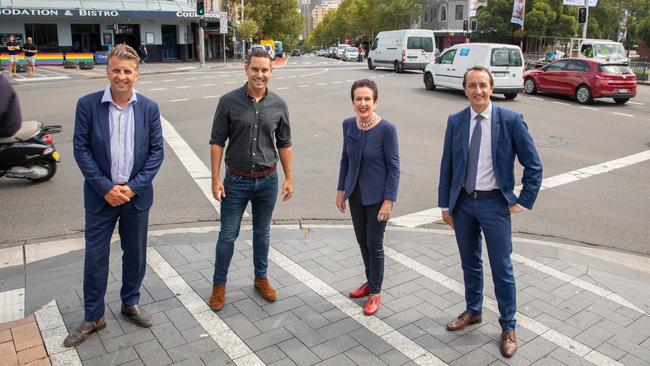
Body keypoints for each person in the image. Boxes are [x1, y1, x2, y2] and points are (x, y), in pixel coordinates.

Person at [438, 66, 542, 358]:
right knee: (469, 263)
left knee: (502, 268)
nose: (478, 91)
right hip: (463, 204)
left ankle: (508, 326)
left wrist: (524, 199)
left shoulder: (510, 120)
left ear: (491, 87)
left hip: (495, 204)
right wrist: (445, 205)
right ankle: (473, 310)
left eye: (483, 85)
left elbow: (533, 165)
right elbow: (447, 165)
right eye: (472, 85)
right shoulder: (456, 121)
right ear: (465, 89)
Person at [64, 44, 164, 347]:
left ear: (137, 74)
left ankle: (129, 302)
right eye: (116, 70)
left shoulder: (148, 108)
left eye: (128, 71)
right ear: (107, 71)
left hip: (136, 196)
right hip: (100, 197)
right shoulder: (88, 105)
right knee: (95, 257)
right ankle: (94, 315)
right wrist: (105, 188)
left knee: (135, 253)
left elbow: (156, 152)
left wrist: (133, 187)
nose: (122, 76)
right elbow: (80, 149)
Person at [208, 48, 293, 311]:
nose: (260, 74)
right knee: (227, 236)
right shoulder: (228, 101)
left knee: (262, 233)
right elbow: (217, 141)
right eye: (255, 69)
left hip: (268, 181)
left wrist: (289, 178)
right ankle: (219, 286)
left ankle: (260, 278)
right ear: (246, 69)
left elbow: (285, 143)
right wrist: (215, 178)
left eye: (264, 70)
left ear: (271, 71)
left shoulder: (279, 104)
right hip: (235, 181)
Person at [336, 79, 399, 316]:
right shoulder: (348, 125)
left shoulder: (387, 130)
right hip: (355, 195)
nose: (362, 104)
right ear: (353, 102)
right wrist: (341, 190)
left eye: (367, 99)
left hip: (378, 198)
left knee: (375, 244)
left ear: (375, 101)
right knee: (362, 241)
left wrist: (388, 200)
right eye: (358, 99)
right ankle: (369, 281)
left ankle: (375, 292)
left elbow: (394, 168)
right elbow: (345, 160)